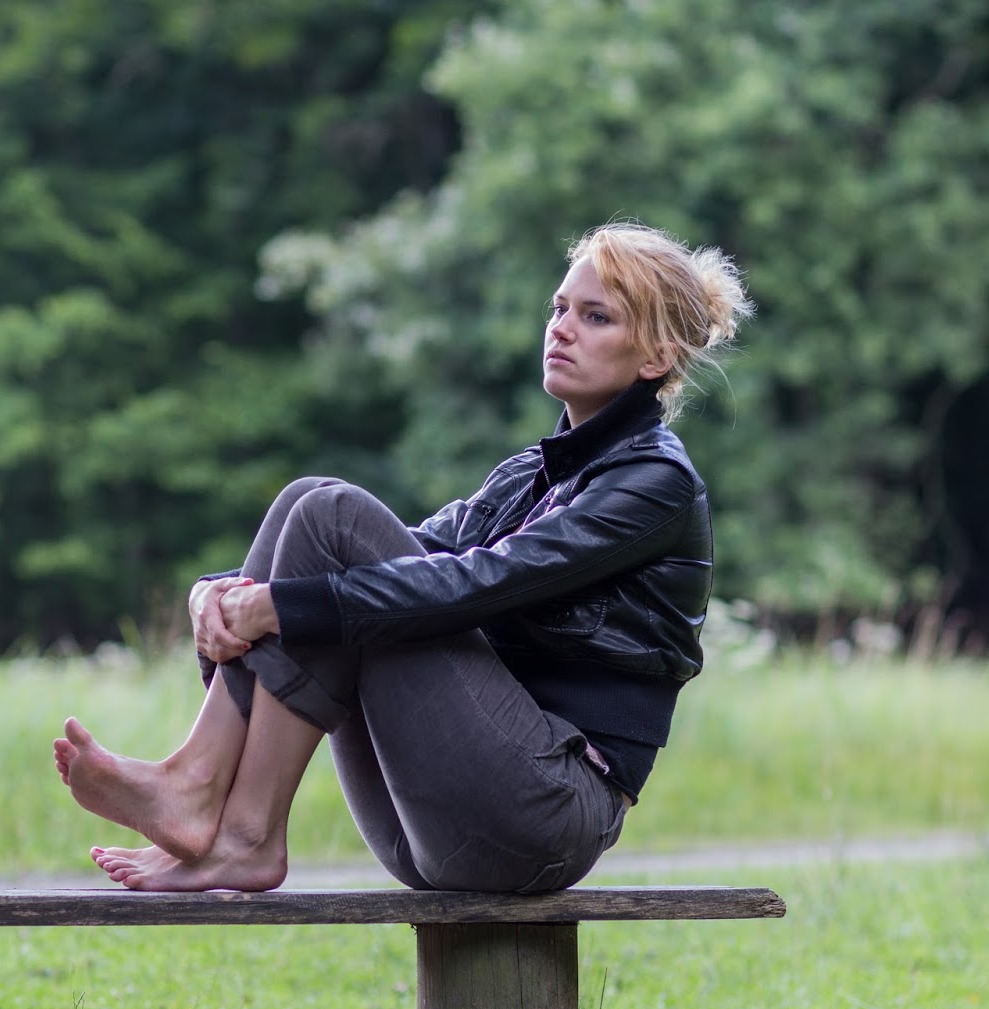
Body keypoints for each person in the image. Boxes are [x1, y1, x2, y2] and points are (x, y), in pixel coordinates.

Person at [53, 221, 752, 893]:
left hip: (541, 819)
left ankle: (221, 808)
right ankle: (221, 805)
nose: (561, 327)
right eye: (559, 307)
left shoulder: (655, 483)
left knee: (331, 518)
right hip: (432, 821)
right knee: (314, 503)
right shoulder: (529, 476)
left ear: (656, 358)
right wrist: (211, 593)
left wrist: (277, 608)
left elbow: (482, 581)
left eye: (596, 317)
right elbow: (394, 561)